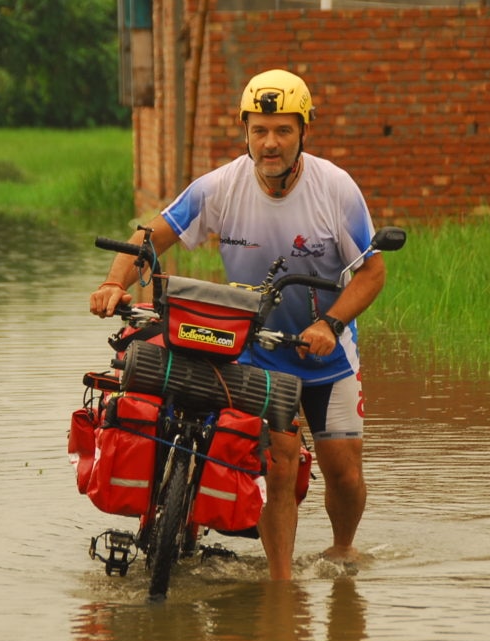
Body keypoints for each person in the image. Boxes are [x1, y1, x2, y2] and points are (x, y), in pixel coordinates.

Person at [88, 68, 387, 580]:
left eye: (283, 130)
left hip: (325, 353)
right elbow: (150, 236)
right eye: (259, 130)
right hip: (255, 349)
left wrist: (331, 325)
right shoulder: (219, 186)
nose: (270, 144)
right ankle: (280, 583)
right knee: (279, 458)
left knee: (344, 470)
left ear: (303, 132)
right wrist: (116, 283)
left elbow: (372, 273)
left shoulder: (336, 189)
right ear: (245, 131)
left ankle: (342, 548)